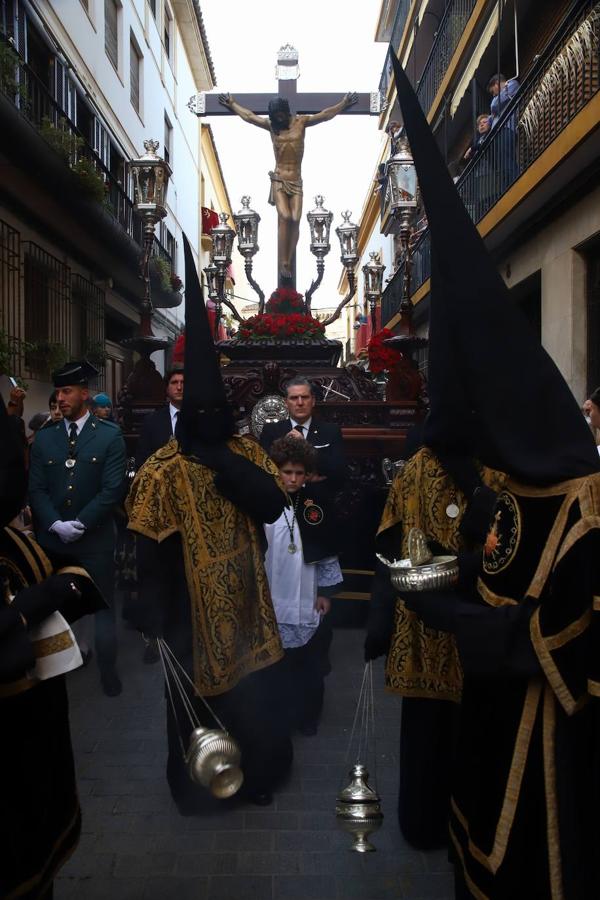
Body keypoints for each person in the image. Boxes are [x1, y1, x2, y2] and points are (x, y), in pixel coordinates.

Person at [389, 50, 600, 899]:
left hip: (550, 749)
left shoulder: (587, 505)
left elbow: (560, 642)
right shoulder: (509, 483)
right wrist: (437, 578)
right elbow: (484, 560)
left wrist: (451, 613)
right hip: (483, 719)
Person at [127, 235, 292, 813]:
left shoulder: (242, 452)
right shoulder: (162, 469)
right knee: (196, 705)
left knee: (254, 697)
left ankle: (260, 775)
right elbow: (148, 548)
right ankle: (199, 789)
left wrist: (226, 465)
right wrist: (150, 610)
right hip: (188, 616)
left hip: (247, 604)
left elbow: (272, 502)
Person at [365, 425, 506, 850]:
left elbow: (507, 542)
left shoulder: (495, 469)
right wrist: (380, 617)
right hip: (424, 627)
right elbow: (391, 543)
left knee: (467, 731)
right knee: (427, 732)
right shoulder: (417, 468)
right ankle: (423, 822)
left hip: (472, 621)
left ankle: (456, 825)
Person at [0, 393, 106, 900]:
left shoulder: (13, 541)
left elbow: (74, 583)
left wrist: (51, 588)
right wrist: (23, 610)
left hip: (34, 762)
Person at [28, 361, 127, 697]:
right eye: (58, 392)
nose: (60, 398)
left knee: (102, 607)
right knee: (52, 608)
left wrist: (81, 522)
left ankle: (108, 669)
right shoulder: (45, 438)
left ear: (85, 394)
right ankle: (55, 666)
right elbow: (36, 488)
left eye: (67, 391)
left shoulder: (109, 436)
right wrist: (55, 523)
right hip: (54, 541)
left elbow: (112, 489)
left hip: (94, 540)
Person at [218, 91, 357, 279]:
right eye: (275, 116)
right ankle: (283, 261)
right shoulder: (271, 126)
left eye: (280, 115)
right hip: (279, 179)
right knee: (285, 216)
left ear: (286, 111)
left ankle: (288, 259)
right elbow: (249, 117)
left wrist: (343, 104)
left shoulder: (301, 122)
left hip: (296, 181)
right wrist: (232, 104)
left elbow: (325, 115)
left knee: (296, 218)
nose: (278, 119)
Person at [265, 435, 342, 736]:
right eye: (287, 472)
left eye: (299, 473)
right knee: (277, 664)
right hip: (273, 588)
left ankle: (308, 716)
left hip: (306, 590)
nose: (293, 479)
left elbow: (327, 548)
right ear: (277, 470)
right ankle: (279, 714)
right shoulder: (264, 502)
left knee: (310, 664)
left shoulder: (315, 504)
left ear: (307, 473)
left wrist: (326, 592)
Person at [260, 376, 347, 489]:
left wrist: (306, 446)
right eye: (294, 398)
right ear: (286, 403)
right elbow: (264, 470)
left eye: (305, 397)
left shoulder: (331, 431)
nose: (300, 403)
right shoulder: (271, 431)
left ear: (313, 401)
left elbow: (339, 471)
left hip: (318, 494)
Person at [135, 368, 184, 469]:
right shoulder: (151, 421)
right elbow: (143, 459)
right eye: (174, 382)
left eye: (183, 382)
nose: (179, 387)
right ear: (167, 389)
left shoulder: (200, 419)